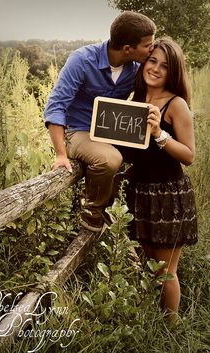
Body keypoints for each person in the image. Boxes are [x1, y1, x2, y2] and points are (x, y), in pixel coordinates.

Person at [44, 11, 156, 232]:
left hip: (112, 133)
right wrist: (60, 154)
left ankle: (125, 212)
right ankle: (92, 213)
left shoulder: (136, 69)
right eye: (147, 45)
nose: (151, 49)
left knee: (151, 153)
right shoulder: (82, 61)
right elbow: (56, 106)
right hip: (78, 131)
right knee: (110, 159)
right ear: (127, 49)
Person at [127, 37, 198, 321]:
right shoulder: (134, 98)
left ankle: (171, 327)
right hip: (139, 192)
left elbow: (189, 155)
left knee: (166, 270)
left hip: (168, 195)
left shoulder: (175, 103)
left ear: (173, 72)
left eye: (164, 66)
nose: (155, 68)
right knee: (152, 265)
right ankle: (154, 317)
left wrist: (159, 134)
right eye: (152, 60)